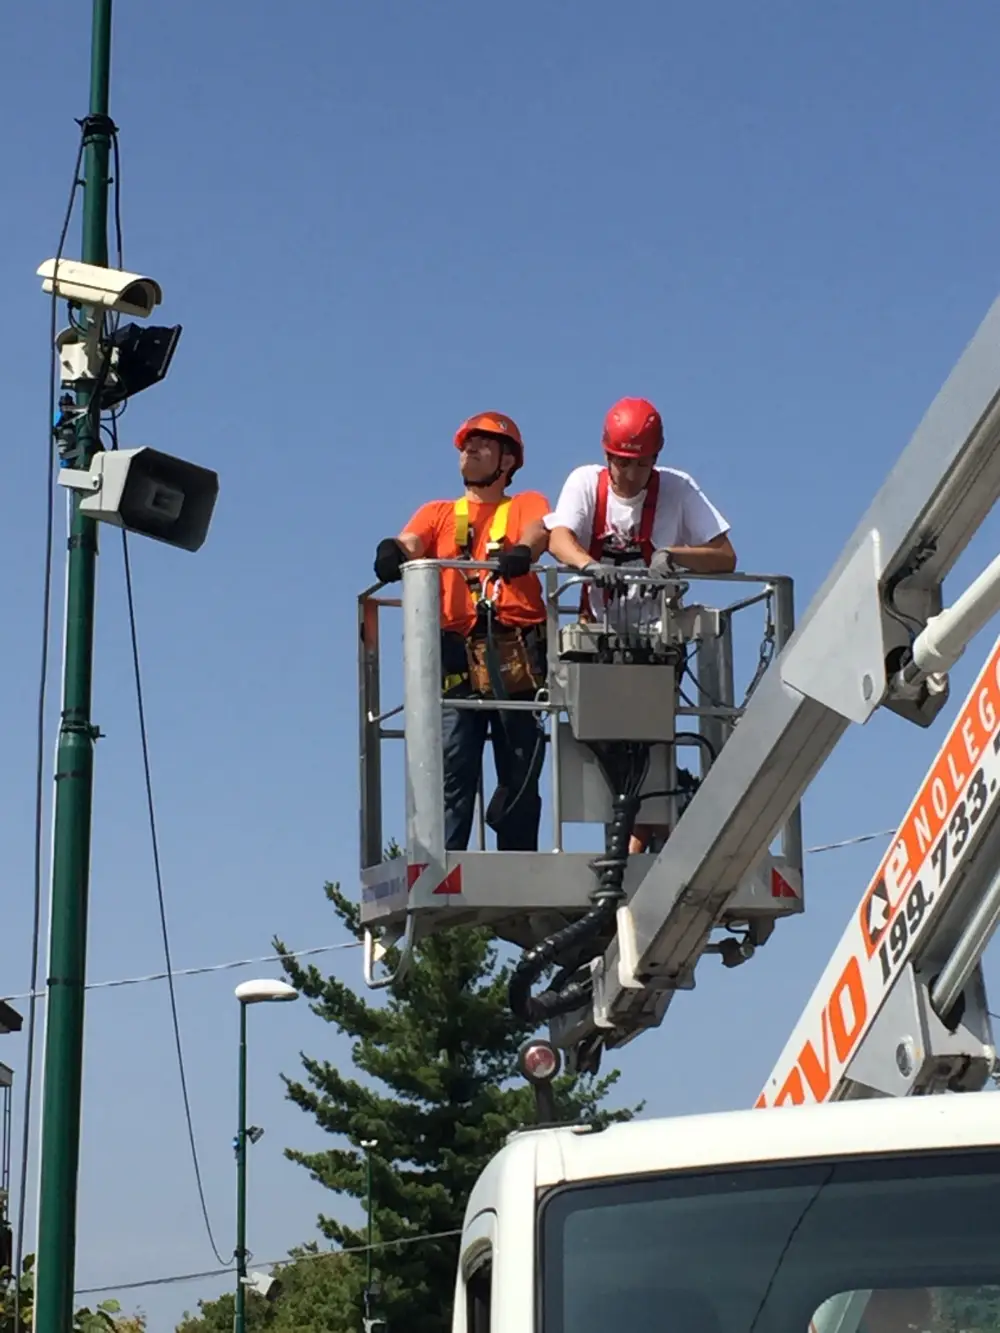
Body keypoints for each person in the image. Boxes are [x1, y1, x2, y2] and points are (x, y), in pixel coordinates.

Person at [544, 395, 737, 853]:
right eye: (621, 463)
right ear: (606, 454)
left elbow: (725, 556)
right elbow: (558, 538)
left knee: (650, 747)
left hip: (656, 645)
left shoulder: (677, 489)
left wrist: (674, 556)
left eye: (640, 464)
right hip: (598, 644)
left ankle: (640, 841)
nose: (630, 474)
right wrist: (589, 566)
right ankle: (630, 840)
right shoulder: (586, 483)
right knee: (604, 748)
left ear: (656, 458)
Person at [373, 412, 551, 853]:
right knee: (453, 768)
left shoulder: (525, 504)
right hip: (456, 655)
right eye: (467, 443)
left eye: (484, 443)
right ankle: (444, 864)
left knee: (521, 768)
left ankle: (517, 866)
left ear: (507, 460)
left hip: (515, 656)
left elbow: (538, 531)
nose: (470, 448)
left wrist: (524, 551)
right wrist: (392, 550)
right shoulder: (437, 513)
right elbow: (412, 541)